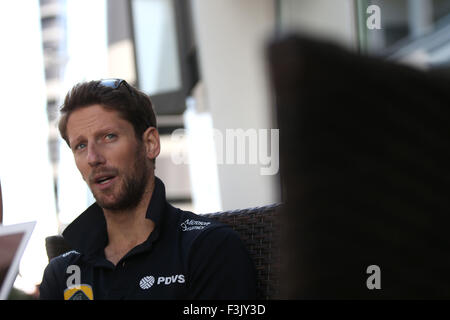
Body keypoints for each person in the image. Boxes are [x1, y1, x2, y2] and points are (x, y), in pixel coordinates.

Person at [39, 79, 256, 300]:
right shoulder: (62, 273)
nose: (93, 158)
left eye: (108, 136)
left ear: (150, 143)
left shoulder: (209, 248)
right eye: (81, 146)